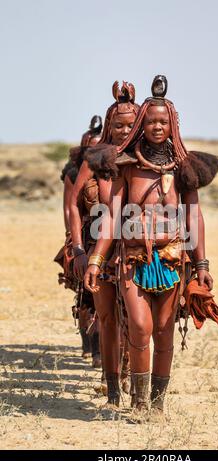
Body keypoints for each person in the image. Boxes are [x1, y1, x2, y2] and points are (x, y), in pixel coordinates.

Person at [84, 75, 218, 414]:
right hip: (132, 259)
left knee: (163, 331)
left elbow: (194, 218)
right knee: (141, 327)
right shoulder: (126, 167)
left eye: (163, 121)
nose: (157, 127)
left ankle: (156, 406)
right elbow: (111, 217)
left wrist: (201, 265)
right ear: (141, 124)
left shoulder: (185, 169)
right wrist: (95, 260)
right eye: (151, 121)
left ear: (172, 123)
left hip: (173, 259)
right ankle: (138, 402)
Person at [70, 81, 139, 405]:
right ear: (109, 126)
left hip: (140, 248)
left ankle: (133, 376)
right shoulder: (96, 159)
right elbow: (72, 204)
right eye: (119, 125)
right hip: (99, 244)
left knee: (138, 320)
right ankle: (112, 387)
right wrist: (80, 250)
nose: (125, 130)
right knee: (108, 317)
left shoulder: (147, 158)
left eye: (130, 124)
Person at [54, 115, 103, 366]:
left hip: (106, 232)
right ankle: (91, 346)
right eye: (91, 147)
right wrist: (74, 241)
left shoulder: (109, 168)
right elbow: (68, 208)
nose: (95, 151)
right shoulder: (75, 172)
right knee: (84, 294)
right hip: (83, 233)